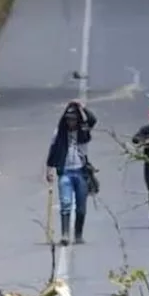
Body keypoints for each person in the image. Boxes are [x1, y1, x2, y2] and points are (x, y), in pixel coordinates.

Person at [45, 101, 97, 246]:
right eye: (68, 119)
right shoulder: (59, 133)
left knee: (80, 207)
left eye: (74, 119)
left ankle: (78, 234)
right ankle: (65, 234)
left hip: (81, 172)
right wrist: (49, 169)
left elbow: (93, 120)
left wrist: (82, 108)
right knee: (66, 203)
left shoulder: (83, 132)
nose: (71, 122)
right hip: (65, 172)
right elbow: (53, 150)